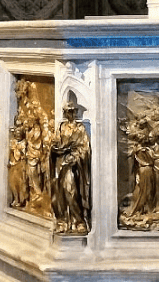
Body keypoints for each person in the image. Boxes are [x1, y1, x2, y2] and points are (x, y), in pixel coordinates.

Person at [50, 99, 91, 233]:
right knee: (58, 192)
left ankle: (78, 219)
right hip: (60, 162)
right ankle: (62, 220)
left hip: (73, 163)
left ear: (77, 112)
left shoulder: (80, 129)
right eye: (68, 112)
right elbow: (55, 142)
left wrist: (75, 157)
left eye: (73, 111)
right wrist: (55, 148)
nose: (70, 114)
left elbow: (84, 148)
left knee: (71, 190)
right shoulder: (61, 127)